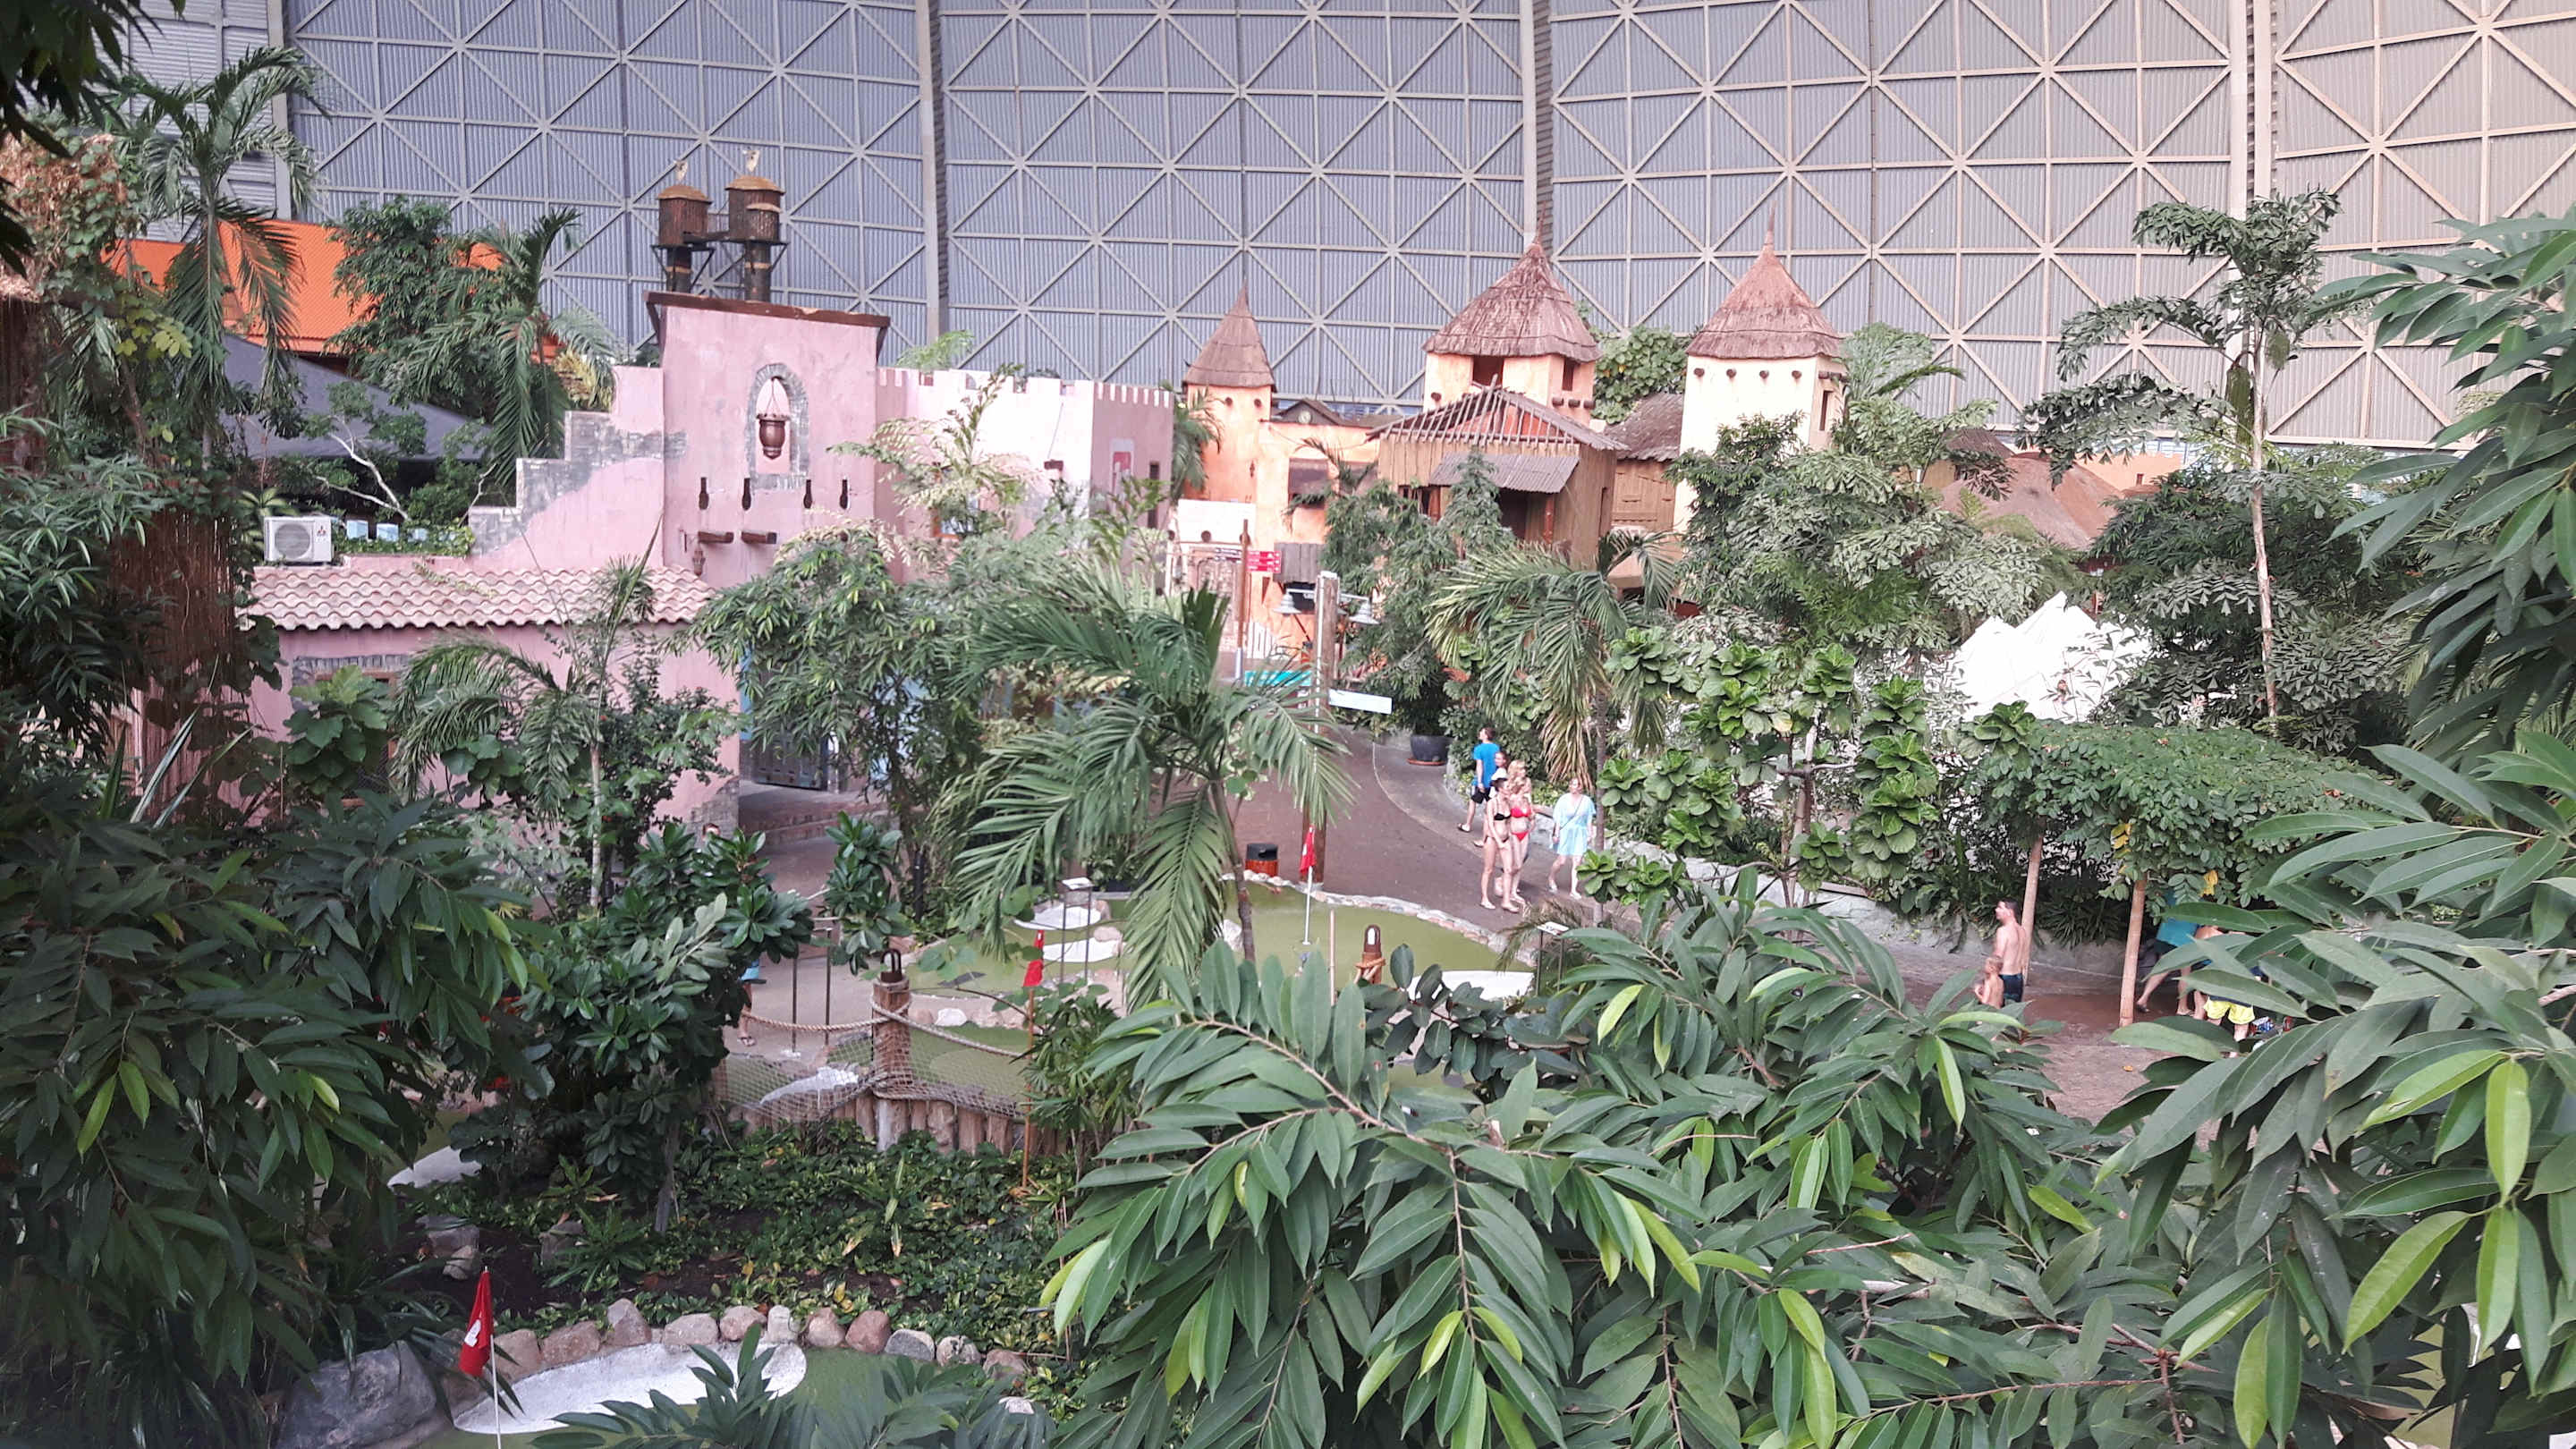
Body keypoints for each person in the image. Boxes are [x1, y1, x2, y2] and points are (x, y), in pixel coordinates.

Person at [1546, 777, 1597, 897]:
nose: (1574, 787)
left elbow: (1589, 819)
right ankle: (1551, 877)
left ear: (1580, 787)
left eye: (1576, 785)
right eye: (1572, 784)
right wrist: (1556, 833)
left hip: (1580, 832)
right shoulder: (1564, 799)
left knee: (1577, 861)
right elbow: (1558, 818)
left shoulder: (1587, 801)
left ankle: (1573, 890)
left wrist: (1590, 834)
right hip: (1566, 832)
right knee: (1562, 861)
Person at [1477, 763, 1518, 911]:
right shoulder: (1492, 803)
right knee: (1489, 869)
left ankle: (1506, 900)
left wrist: (1510, 837)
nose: (1509, 790)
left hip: (1505, 839)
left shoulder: (1508, 803)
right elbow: (1490, 824)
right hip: (1493, 839)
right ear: (1500, 789)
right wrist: (1498, 841)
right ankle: (1484, 898)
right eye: (1507, 788)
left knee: (1509, 870)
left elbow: (1509, 822)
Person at [1983, 901, 2030, 1005]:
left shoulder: (2003, 931)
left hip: (2004, 978)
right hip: (2018, 978)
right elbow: (2024, 956)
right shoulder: (2022, 931)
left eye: (2000, 907)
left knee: (1994, 1011)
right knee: (2013, 1011)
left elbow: (1998, 957)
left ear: (2009, 912)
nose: (1996, 910)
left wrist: (1988, 978)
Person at [1503, 761, 1534, 912]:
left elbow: (1531, 812)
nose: (1524, 771)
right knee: (1516, 864)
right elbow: (1506, 814)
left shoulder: (1526, 797)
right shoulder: (1511, 795)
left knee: (1521, 862)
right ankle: (1504, 882)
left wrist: (1532, 820)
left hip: (1524, 831)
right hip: (1514, 832)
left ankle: (1514, 891)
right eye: (1521, 769)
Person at [1461, 728, 1503, 833]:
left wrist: (1479, 782)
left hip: (1482, 782)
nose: (1480, 733)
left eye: (1482, 732)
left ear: (1486, 735)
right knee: (1491, 806)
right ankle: (1492, 829)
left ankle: (1467, 825)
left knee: (1473, 802)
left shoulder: (1479, 749)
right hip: (1493, 782)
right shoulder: (1496, 748)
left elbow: (1479, 766)